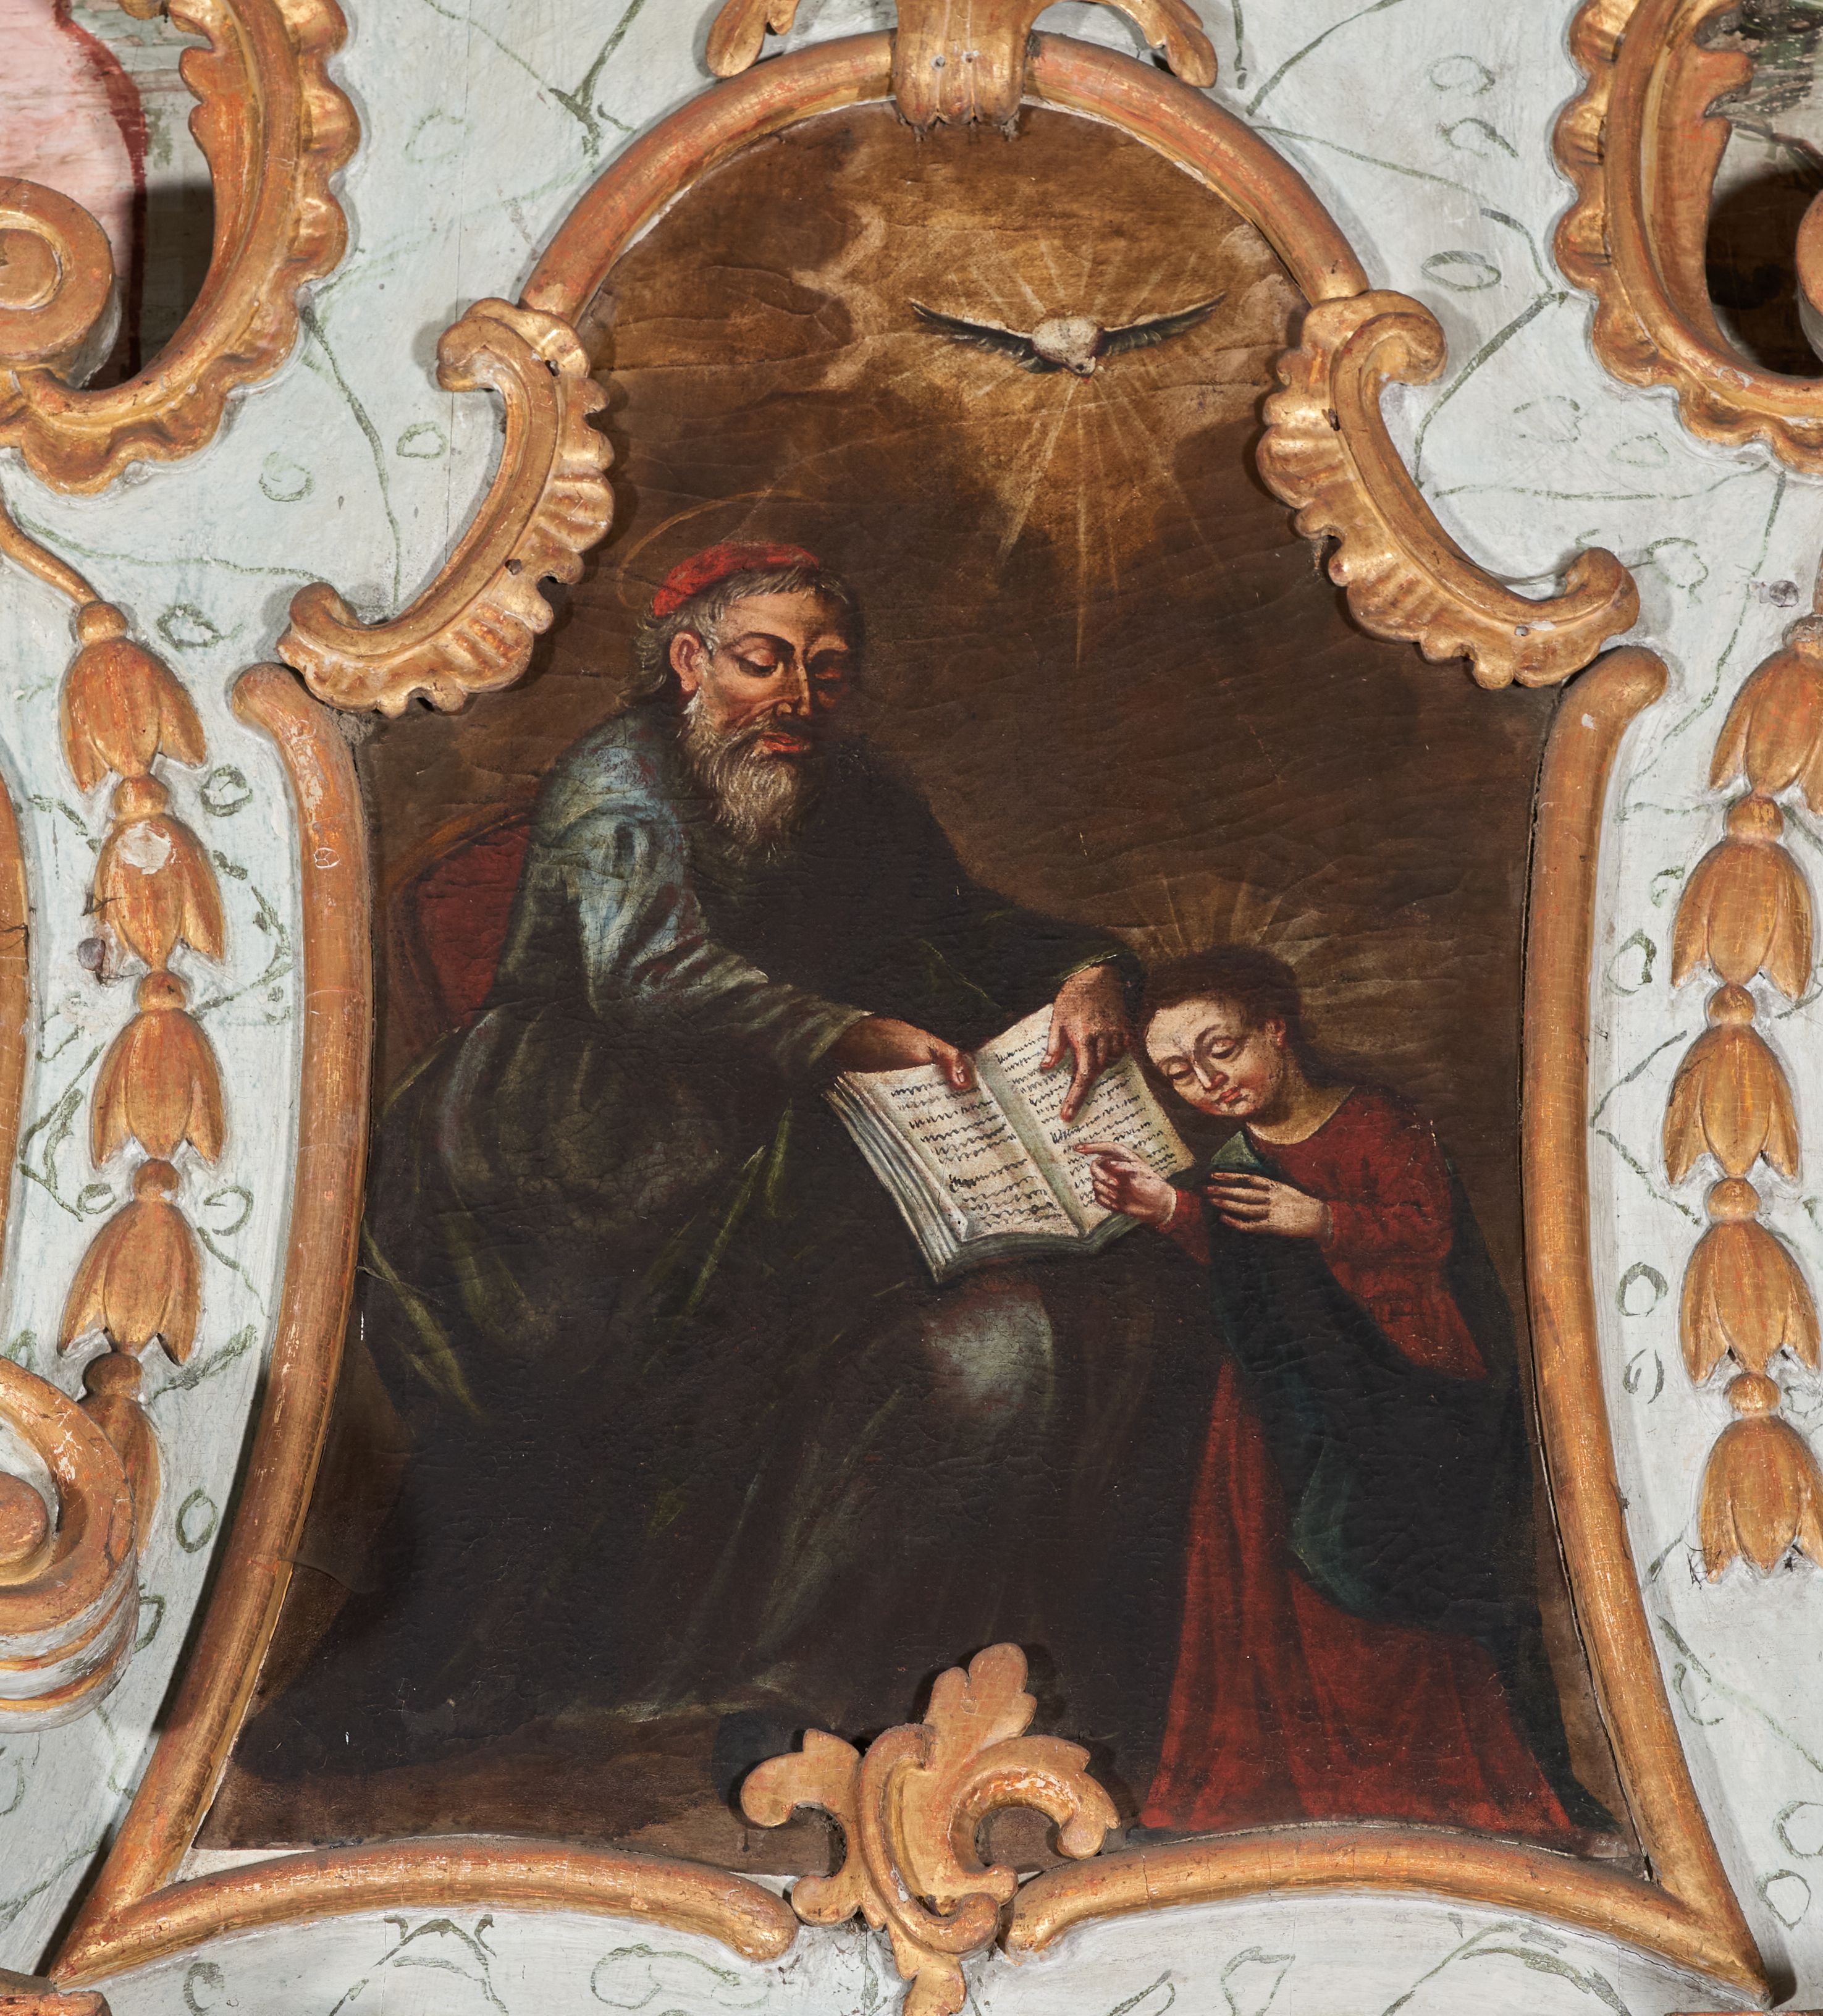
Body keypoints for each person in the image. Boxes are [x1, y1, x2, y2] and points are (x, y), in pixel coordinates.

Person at [238, 542, 1210, 1815]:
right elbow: (645, 975)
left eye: (827, 670)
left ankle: (879, 1669)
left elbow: (965, 923)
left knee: (1084, 1295)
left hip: (781, 1122)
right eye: (764, 660)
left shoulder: (856, 788)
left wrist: (1090, 975)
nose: (797, 695)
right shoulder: (621, 776)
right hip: (566, 1142)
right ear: (692, 661)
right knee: (766, 1302)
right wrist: (843, 1034)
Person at [1077, 946, 1596, 1844]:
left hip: (1397, 1392)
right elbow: (1236, 1257)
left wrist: (1320, 1220)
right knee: (1269, 1586)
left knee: (1383, 1581)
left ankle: (1438, 1794)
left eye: (1221, 1050)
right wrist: (1164, 1206)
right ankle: (1294, 1795)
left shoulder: (1381, 1121)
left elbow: (1428, 1235)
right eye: (1180, 1073)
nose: (1209, 1082)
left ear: (1276, 1030)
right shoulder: (1235, 1157)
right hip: (1281, 1403)